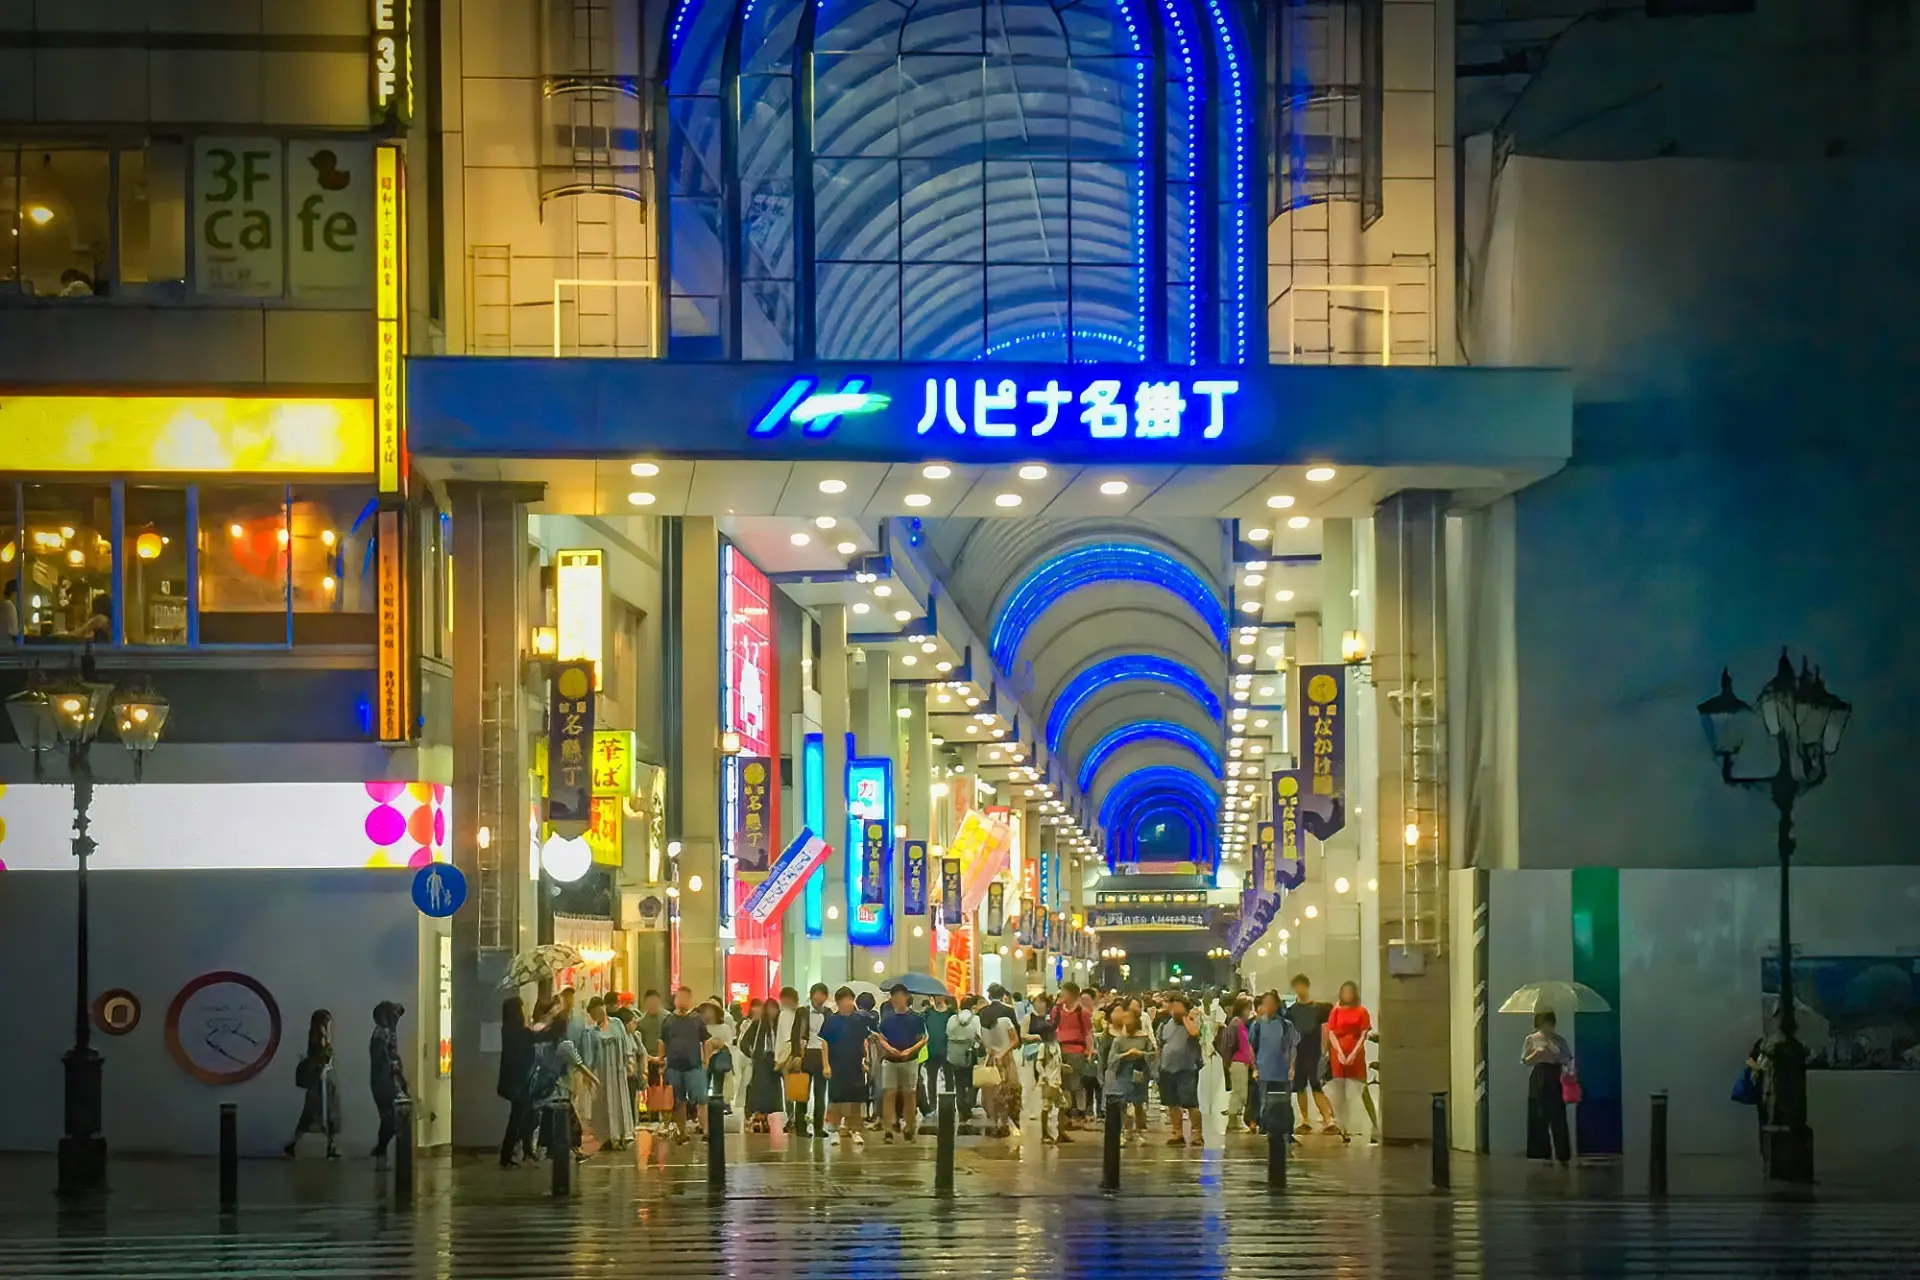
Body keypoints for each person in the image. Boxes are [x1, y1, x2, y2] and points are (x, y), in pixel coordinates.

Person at [495, 996, 545, 1168]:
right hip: (520, 1083)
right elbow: (535, 1036)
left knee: (523, 1115)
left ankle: (523, 1150)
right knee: (518, 1118)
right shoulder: (519, 1033)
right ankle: (508, 1154)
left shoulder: (509, 1030)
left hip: (517, 1082)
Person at [874, 984, 928, 1141]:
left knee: (909, 1094)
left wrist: (910, 1050)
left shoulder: (916, 1018)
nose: (896, 1000)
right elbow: (880, 1037)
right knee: (889, 1093)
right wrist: (889, 1049)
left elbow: (923, 1038)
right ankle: (888, 1129)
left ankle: (910, 1127)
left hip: (910, 1061)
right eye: (893, 997)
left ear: (906, 997)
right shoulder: (888, 1019)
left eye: (899, 996)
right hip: (890, 1061)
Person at [285, 1009, 340, 1159]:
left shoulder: (316, 1036)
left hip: (321, 1080)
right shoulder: (321, 1038)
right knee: (324, 1113)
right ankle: (330, 1146)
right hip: (321, 1081)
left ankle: (295, 1144)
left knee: (317, 1114)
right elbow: (323, 1059)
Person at [819, 987, 871, 1145]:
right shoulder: (831, 1020)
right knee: (837, 1099)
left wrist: (866, 1060)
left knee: (855, 1099)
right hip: (837, 1064)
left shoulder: (859, 1020)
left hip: (855, 1065)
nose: (848, 1003)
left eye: (851, 999)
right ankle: (835, 1130)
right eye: (845, 1000)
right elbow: (825, 1042)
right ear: (838, 1002)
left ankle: (855, 1130)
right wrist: (826, 1064)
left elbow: (865, 1040)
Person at [1285, 975, 1336, 1134]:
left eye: (1302, 986)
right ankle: (1305, 1120)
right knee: (1300, 1086)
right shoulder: (1291, 1011)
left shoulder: (1320, 1009)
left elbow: (1325, 1029)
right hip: (1299, 1052)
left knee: (1316, 1085)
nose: (1300, 990)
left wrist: (1324, 1050)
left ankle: (1328, 1119)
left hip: (1314, 1052)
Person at [658, 986, 710, 1143]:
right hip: (674, 1066)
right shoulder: (668, 1021)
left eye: (685, 998)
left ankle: (707, 1130)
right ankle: (682, 1132)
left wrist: (706, 1060)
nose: (682, 1001)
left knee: (701, 1098)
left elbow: (705, 1040)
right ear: (675, 1000)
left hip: (694, 1066)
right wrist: (661, 1060)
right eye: (679, 997)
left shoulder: (696, 1019)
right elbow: (662, 1041)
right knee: (678, 1100)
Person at [1522, 1009, 1574, 1164]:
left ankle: (1562, 1153)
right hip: (1539, 1075)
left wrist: (1556, 1056)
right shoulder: (1531, 1039)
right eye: (1544, 1025)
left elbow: (1568, 1058)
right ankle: (1539, 1152)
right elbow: (1525, 1060)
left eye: (1550, 1025)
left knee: (1558, 1115)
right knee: (1538, 1113)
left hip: (1555, 1075)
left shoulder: (1559, 1040)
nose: (1547, 1028)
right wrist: (1537, 1054)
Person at [1324, 982, 1373, 1144]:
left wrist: (1353, 1053)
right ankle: (1344, 1127)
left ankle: (1374, 1124)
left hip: (1355, 1053)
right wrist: (1339, 1052)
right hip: (1338, 1054)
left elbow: (1363, 1033)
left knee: (1362, 1087)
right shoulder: (1336, 1012)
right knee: (1340, 1092)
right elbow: (1331, 1032)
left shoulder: (1362, 1011)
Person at [586, 999, 638, 1149]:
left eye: (599, 1010)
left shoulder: (617, 1024)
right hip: (602, 1071)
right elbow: (591, 1055)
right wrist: (589, 1075)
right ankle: (606, 1136)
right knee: (603, 1103)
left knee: (620, 1099)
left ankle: (622, 1134)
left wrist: (629, 1061)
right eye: (594, 1013)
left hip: (617, 1069)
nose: (598, 1014)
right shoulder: (593, 1032)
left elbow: (625, 1043)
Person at [1248, 990, 1299, 1137]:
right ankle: (1267, 1127)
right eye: (1265, 1003)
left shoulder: (1286, 1025)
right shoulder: (1257, 1024)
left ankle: (1286, 1129)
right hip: (1264, 1069)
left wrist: (1292, 1067)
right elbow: (1251, 1047)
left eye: (1271, 1003)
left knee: (1285, 1101)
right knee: (1264, 1101)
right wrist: (1254, 1068)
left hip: (1282, 1070)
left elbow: (1293, 1047)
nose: (1268, 1006)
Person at [1156, 994, 1203, 1146]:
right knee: (1172, 1103)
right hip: (1167, 1069)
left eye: (1178, 1006)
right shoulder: (1165, 1024)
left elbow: (1195, 1033)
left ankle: (1197, 1134)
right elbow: (1160, 1044)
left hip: (1186, 1068)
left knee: (1190, 1104)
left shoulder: (1191, 1022)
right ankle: (1177, 1133)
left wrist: (1185, 1018)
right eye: (1172, 1006)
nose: (1174, 1010)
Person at [1103, 1006, 1154, 1144]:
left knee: (1138, 1103)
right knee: (1123, 1103)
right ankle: (1124, 1131)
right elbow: (1111, 1058)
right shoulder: (1119, 1040)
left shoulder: (1144, 1038)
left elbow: (1153, 1055)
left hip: (1139, 1072)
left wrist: (1141, 1054)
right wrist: (1125, 1055)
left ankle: (1138, 1132)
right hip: (1123, 1073)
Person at [367, 1001, 408, 1169]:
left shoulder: (388, 1032)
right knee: (390, 1119)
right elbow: (386, 1060)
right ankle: (380, 1150)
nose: (396, 1019)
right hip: (384, 1082)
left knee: (391, 1119)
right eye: (393, 1016)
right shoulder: (381, 1034)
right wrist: (399, 1077)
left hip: (388, 1081)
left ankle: (380, 1151)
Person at [978, 991, 1022, 1138]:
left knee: (999, 1093)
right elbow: (1015, 1040)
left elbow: (986, 1046)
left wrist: (996, 1053)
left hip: (995, 1061)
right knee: (1000, 1093)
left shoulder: (994, 1024)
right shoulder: (1003, 1022)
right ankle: (999, 1123)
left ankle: (1000, 1122)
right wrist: (1002, 1053)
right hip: (1003, 1060)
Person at [742, 998, 785, 1133]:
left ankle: (773, 1118)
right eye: (769, 1008)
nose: (772, 1011)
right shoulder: (757, 1025)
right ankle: (758, 1117)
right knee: (760, 1090)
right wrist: (752, 1054)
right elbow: (744, 1043)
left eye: (774, 1008)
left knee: (775, 1091)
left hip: (777, 1060)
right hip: (762, 1060)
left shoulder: (781, 1026)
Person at [1053, 983, 1092, 1131]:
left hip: (1076, 1049)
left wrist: (1089, 1050)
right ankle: (1065, 1115)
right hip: (1060, 1049)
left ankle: (1078, 1113)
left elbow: (1088, 1032)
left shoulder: (1083, 1011)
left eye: (1063, 992)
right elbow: (1052, 1025)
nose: (1061, 995)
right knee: (1061, 1083)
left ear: (1071, 994)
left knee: (1075, 1083)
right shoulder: (1058, 1010)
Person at [946, 995, 983, 1125]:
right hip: (970, 1054)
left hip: (954, 1055)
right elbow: (980, 1035)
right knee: (972, 1082)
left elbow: (948, 1033)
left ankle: (962, 1110)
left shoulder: (952, 1019)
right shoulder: (976, 1019)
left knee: (959, 1083)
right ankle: (969, 1104)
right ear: (973, 1006)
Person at [1220, 996, 1255, 1134]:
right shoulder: (1236, 1023)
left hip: (1242, 1062)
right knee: (1239, 1093)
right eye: (1248, 1009)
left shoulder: (1240, 1023)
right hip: (1238, 1062)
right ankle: (1233, 1120)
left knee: (1240, 1092)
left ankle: (1234, 1120)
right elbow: (1231, 1044)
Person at [633, 990, 666, 1127]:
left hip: (666, 1059)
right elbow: (639, 1046)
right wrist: (651, 1058)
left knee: (668, 1089)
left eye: (655, 1001)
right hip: (649, 1060)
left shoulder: (667, 1019)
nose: (652, 1005)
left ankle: (667, 1116)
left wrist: (664, 1057)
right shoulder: (641, 1023)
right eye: (649, 1002)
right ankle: (654, 1115)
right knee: (651, 1087)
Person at [920, 992, 955, 1117]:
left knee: (949, 1077)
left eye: (940, 996)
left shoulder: (951, 1013)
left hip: (947, 1049)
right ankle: (933, 1103)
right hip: (932, 1050)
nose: (939, 999)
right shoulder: (927, 1013)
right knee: (931, 1078)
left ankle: (950, 1102)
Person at [702, 1000, 735, 1127]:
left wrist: (720, 1044)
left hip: (719, 1060)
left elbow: (729, 1043)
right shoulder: (702, 1028)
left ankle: (719, 1106)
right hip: (705, 1058)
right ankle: (704, 1108)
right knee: (703, 1083)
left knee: (718, 1084)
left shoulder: (724, 1027)